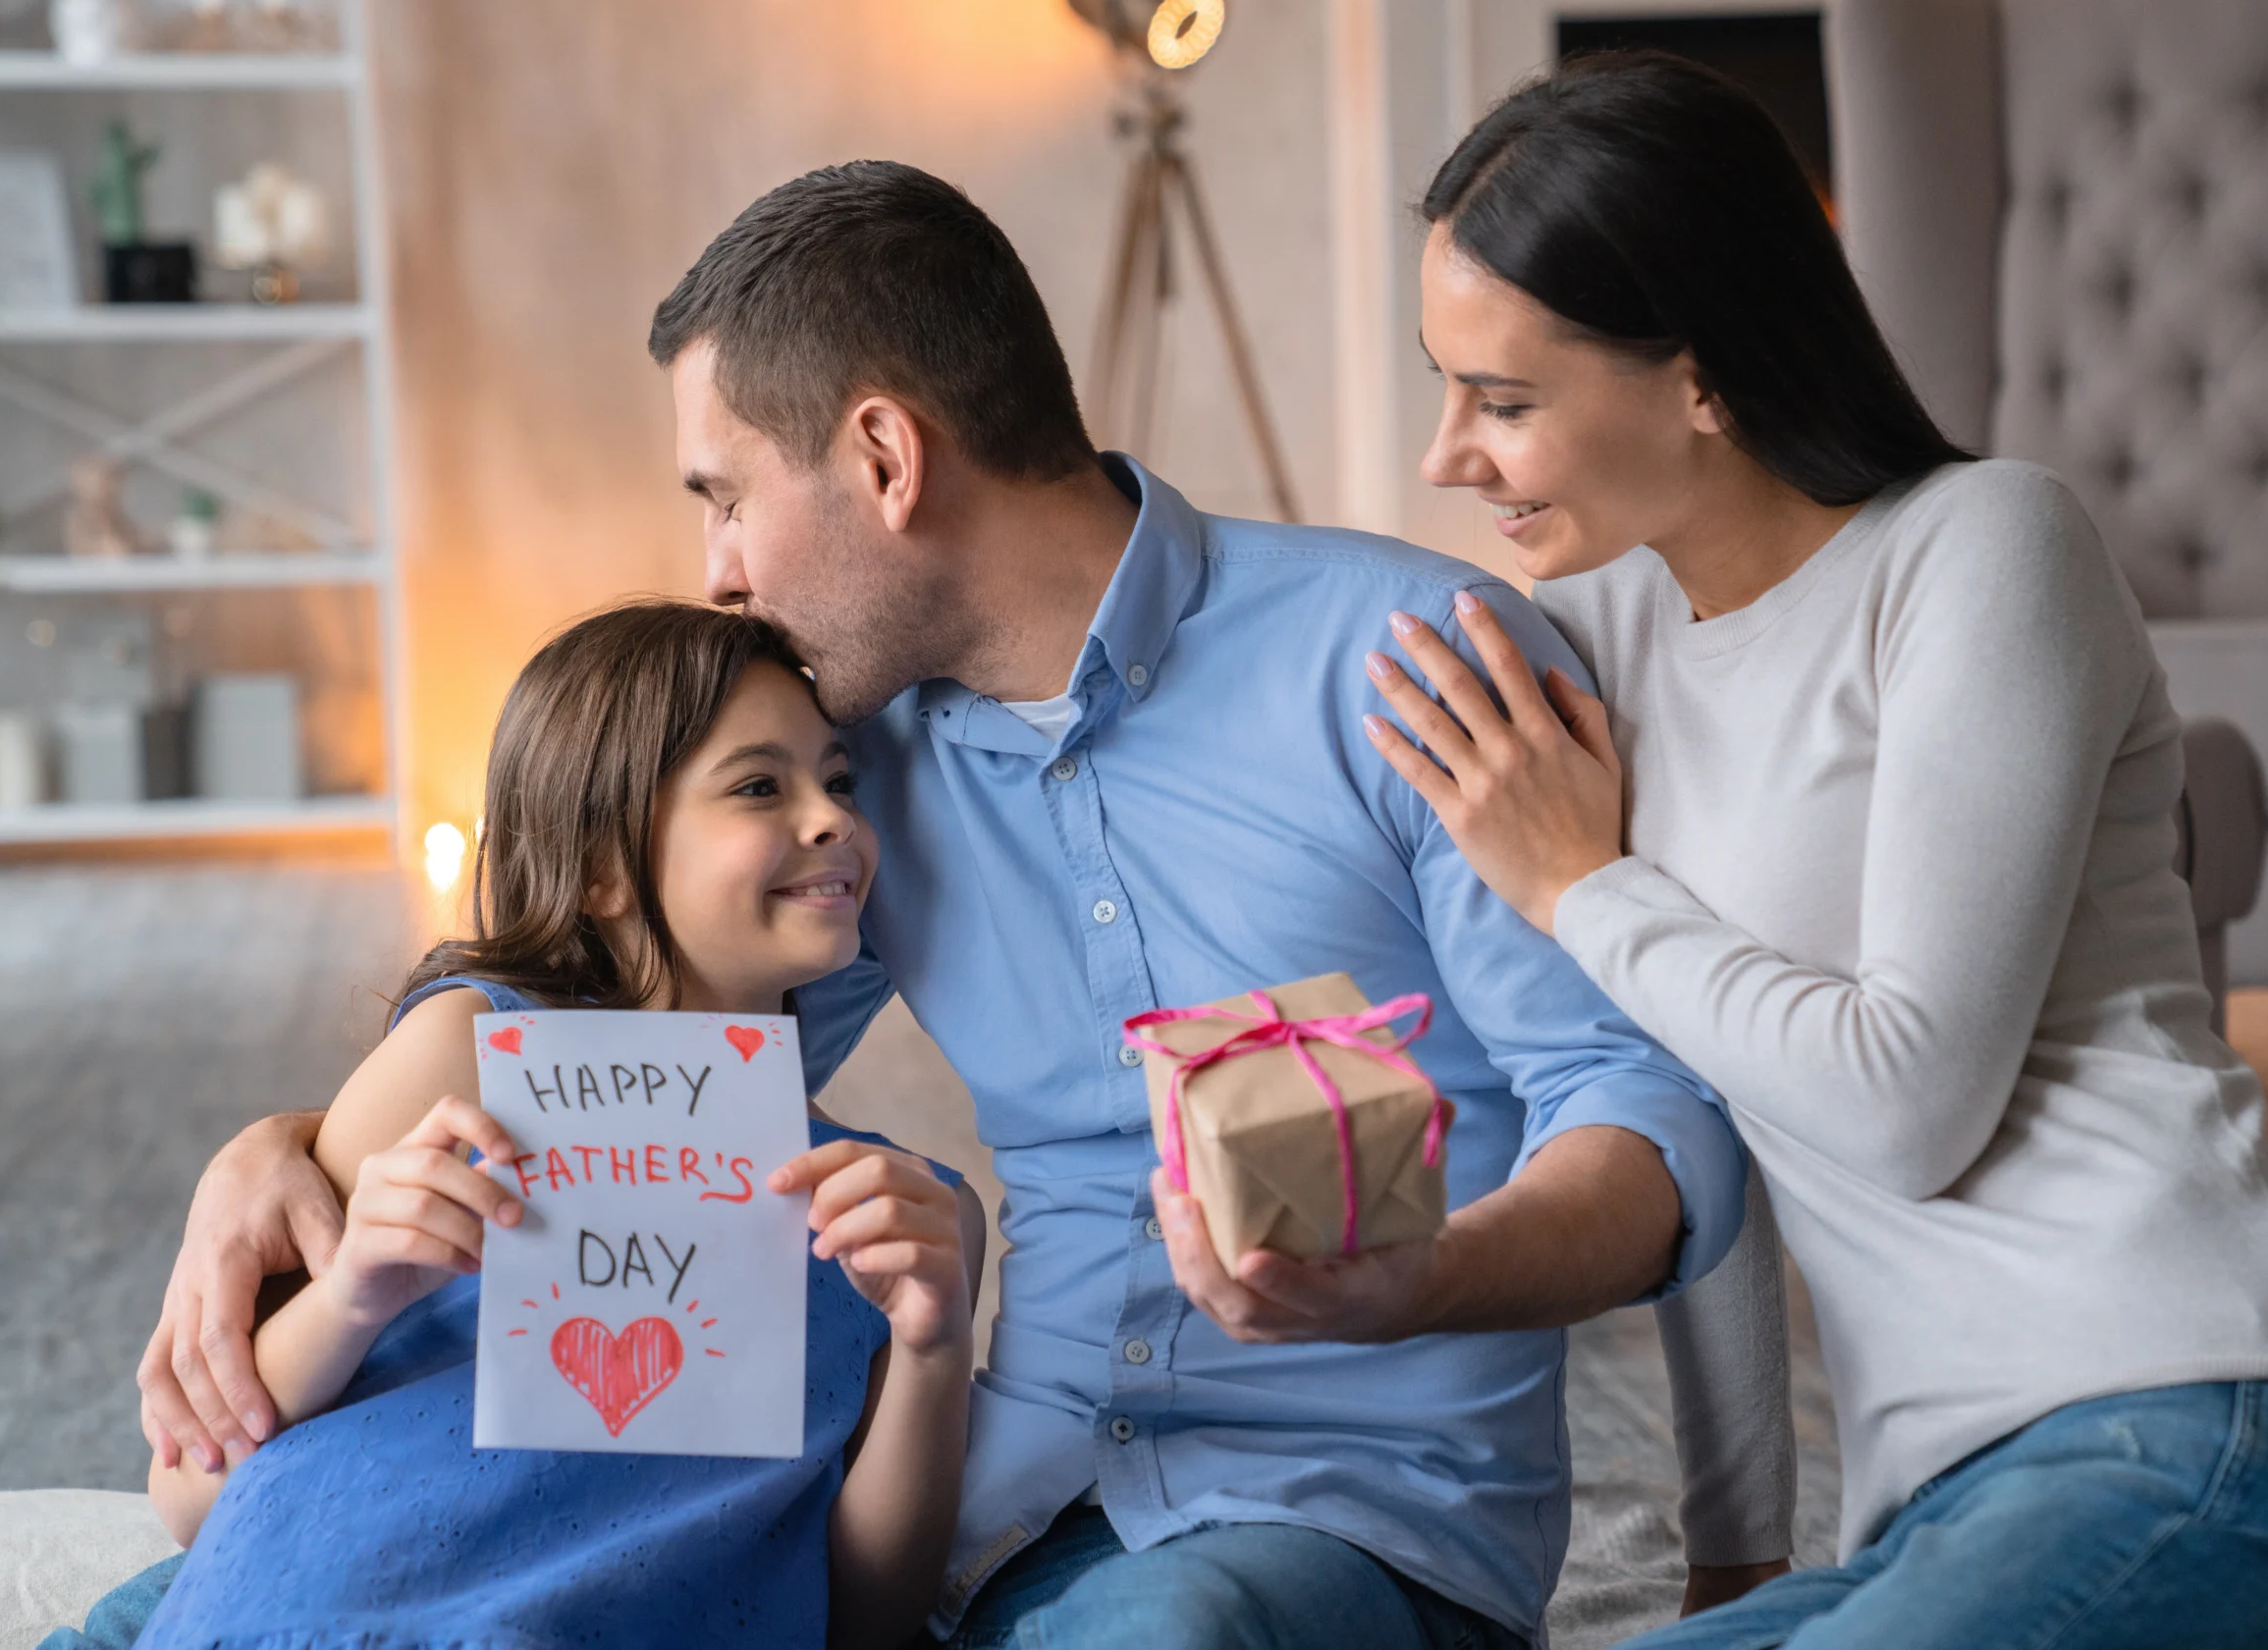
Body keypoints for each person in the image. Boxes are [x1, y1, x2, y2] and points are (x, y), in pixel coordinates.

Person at [133, 161, 1775, 1649]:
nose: (714, 568)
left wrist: (1401, 1281)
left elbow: (1646, 1126)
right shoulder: (867, 776)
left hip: (1332, 1504)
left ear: (883, 456)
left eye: (723, 492)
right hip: (1003, 1485)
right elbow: (631, 1017)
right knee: (279, 1580)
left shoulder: (1410, 664)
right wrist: (283, 1148)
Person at [1364, 52, 2268, 1649]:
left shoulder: (1985, 545)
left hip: (2221, 1415)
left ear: (1701, 375)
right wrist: (1737, 1552)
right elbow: (1703, 1128)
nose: (1447, 454)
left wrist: (1580, 885)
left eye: (1506, 399)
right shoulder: (1590, 646)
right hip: (1938, 1512)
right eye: (1445, 385)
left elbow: (1906, 1101)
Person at [128, 602, 983, 1648]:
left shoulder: (907, 1218)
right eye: (762, 785)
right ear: (596, 869)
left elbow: (869, 1625)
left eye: (840, 782)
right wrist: (353, 1293)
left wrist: (934, 1348)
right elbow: (185, 1496)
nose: (833, 820)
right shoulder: (462, 1058)